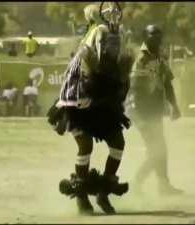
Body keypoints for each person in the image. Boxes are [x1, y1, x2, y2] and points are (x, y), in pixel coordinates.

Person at [48, 3, 133, 215]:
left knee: (117, 142)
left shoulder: (119, 37)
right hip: (81, 98)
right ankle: (82, 196)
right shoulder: (89, 47)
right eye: (106, 43)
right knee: (85, 145)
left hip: (104, 97)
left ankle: (103, 192)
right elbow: (83, 75)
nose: (110, 46)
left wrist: (118, 90)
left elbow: (122, 71)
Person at [127, 24, 183, 196]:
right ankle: (136, 182)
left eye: (159, 36)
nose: (157, 40)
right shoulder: (141, 59)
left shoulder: (160, 56)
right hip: (140, 111)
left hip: (153, 110)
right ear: (146, 37)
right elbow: (135, 89)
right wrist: (139, 116)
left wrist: (174, 106)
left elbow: (167, 82)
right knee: (156, 151)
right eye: (153, 36)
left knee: (161, 149)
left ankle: (163, 185)